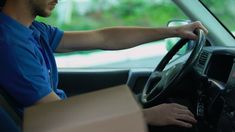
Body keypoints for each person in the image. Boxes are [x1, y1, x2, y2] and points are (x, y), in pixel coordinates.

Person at [0, 0, 208, 128]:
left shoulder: (32, 30)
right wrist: (145, 116)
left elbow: (102, 37)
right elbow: (57, 114)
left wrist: (173, 32)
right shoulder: (10, 45)